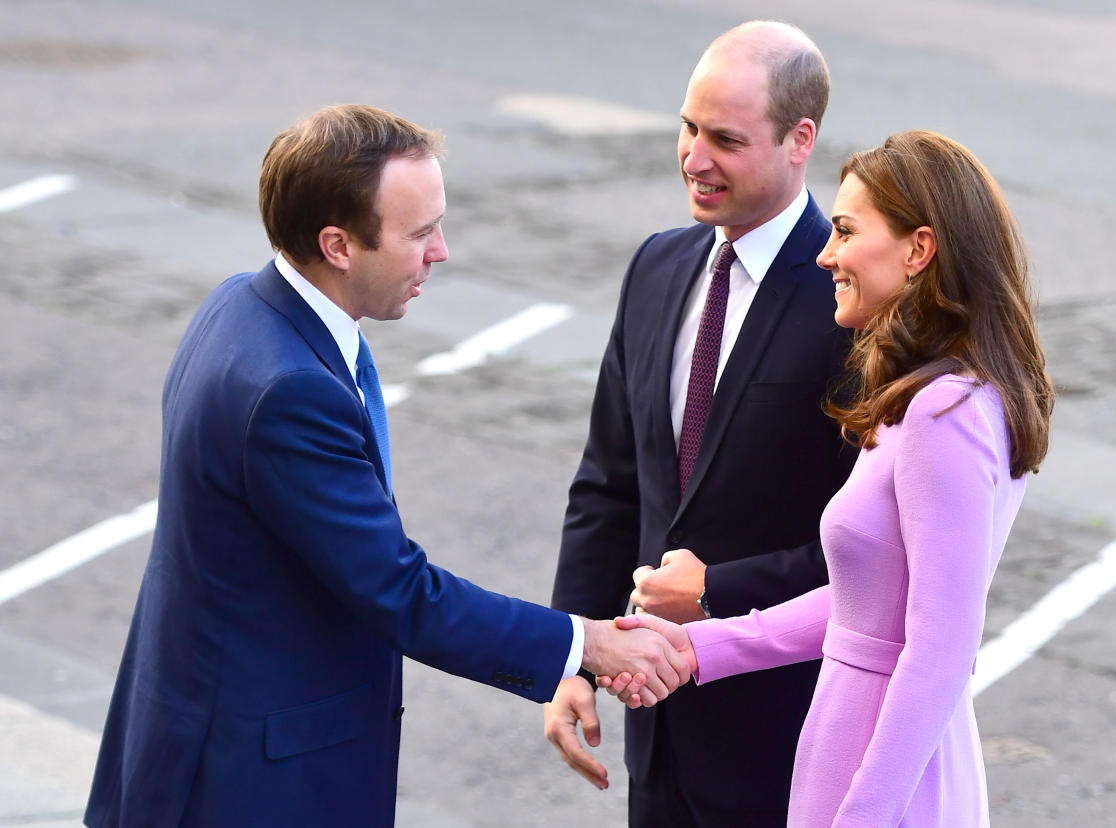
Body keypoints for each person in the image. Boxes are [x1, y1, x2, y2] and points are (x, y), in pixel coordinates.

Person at [83, 104, 690, 828]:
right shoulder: (289, 391)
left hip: (212, 736)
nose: (441, 250)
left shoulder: (241, 308)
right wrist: (580, 643)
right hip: (252, 781)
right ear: (339, 245)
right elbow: (397, 591)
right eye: (420, 232)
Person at [601, 130, 1056, 827]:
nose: (825, 254)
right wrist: (699, 648)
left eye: (845, 231)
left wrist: (864, 815)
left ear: (918, 249)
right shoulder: (926, 398)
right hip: (852, 750)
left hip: (881, 775)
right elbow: (863, 607)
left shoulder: (944, 410)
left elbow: (941, 649)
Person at [545, 20, 857, 827]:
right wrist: (571, 656)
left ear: (800, 140)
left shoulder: (853, 307)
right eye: (688, 127)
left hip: (787, 742)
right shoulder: (657, 266)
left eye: (724, 138)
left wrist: (718, 593)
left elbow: (870, 550)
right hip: (660, 743)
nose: (693, 157)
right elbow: (609, 487)